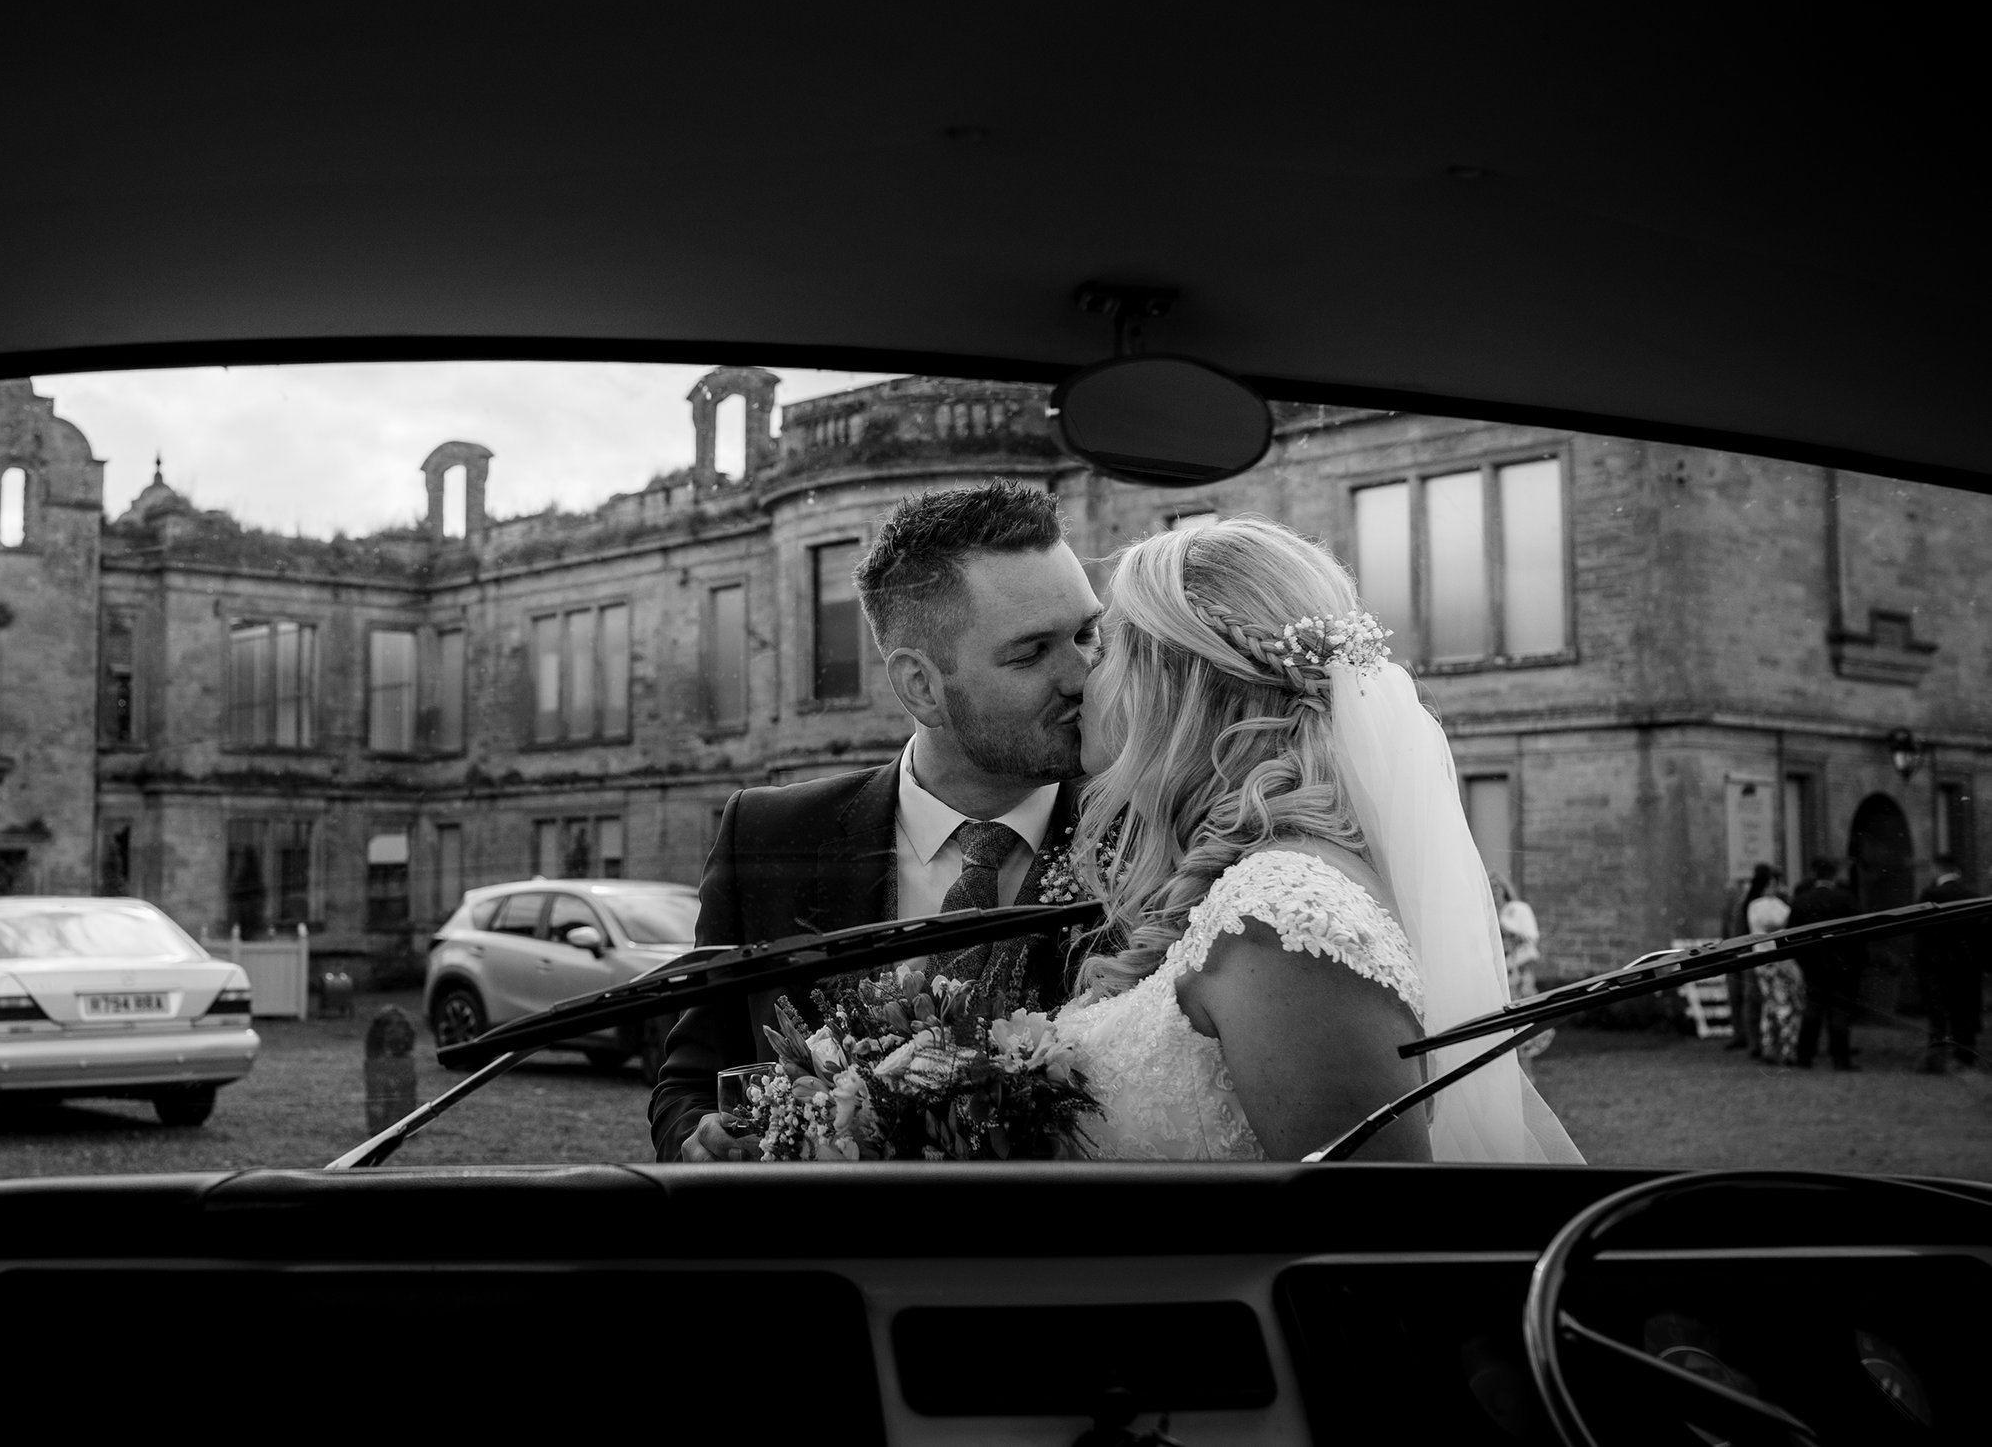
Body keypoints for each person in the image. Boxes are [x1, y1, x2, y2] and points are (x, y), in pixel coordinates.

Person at [1052, 515, 1581, 1163]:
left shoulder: (1280, 910)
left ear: (1163, 682)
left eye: (1102, 647)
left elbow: (1362, 1237)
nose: (1081, 675)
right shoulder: (1249, 876)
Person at [648, 481, 1100, 1162]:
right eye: (1032, 651)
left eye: (1088, 633)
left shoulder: (1151, 832)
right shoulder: (769, 835)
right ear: (919, 685)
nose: (1082, 674)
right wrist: (698, 1139)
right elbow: (690, 1076)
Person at [1788, 858, 1861, 1070]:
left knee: (1812, 1010)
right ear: (1834, 876)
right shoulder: (1845, 899)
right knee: (1839, 1012)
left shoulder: (1802, 901)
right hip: (1841, 965)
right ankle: (1840, 1059)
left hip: (1812, 964)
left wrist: (1802, 961)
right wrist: (1854, 961)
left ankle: (1805, 1056)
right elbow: (1857, 934)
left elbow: (1792, 936)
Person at [1914, 856, 1982, 1074]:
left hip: (1936, 966)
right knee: (1965, 1011)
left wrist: (1920, 961)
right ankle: (1966, 1056)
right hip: (1967, 966)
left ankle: (1938, 1059)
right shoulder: (1974, 896)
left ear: (1937, 870)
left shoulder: (1931, 895)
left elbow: (1921, 932)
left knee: (1938, 1013)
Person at [1492, 873, 1553, 1066]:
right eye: (1489, 887)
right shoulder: (1482, 913)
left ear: (1504, 889)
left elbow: (1530, 940)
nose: (1493, 891)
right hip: (1496, 979)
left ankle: (1527, 1077)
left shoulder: (1517, 910)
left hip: (1517, 975)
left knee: (1523, 1027)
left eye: (1496, 887)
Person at [1744, 870, 1799, 1063]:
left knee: (1770, 1004)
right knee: (1783, 1004)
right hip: (1775, 959)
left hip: (1763, 959)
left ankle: (1770, 1044)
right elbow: (1777, 923)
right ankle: (1785, 1047)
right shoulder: (1766, 905)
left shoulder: (1755, 905)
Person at [1721, 864, 1774, 1053]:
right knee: (1751, 999)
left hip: (1744, 952)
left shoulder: (1745, 901)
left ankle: (1751, 1040)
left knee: (1748, 999)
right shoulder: (1750, 901)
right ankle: (1754, 1040)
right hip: (1750, 953)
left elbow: (1733, 928)